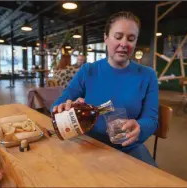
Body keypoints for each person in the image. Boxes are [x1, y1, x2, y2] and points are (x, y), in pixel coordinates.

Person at [51, 11, 158, 167]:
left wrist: (139, 127)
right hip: (88, 144)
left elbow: (152, 119)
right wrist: (63, 107)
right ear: (106, 38)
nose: (124, 44)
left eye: (131, 39)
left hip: (128, 147)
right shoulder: (88, 71)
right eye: (118, 36)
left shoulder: (148, 75)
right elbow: (59, 103)